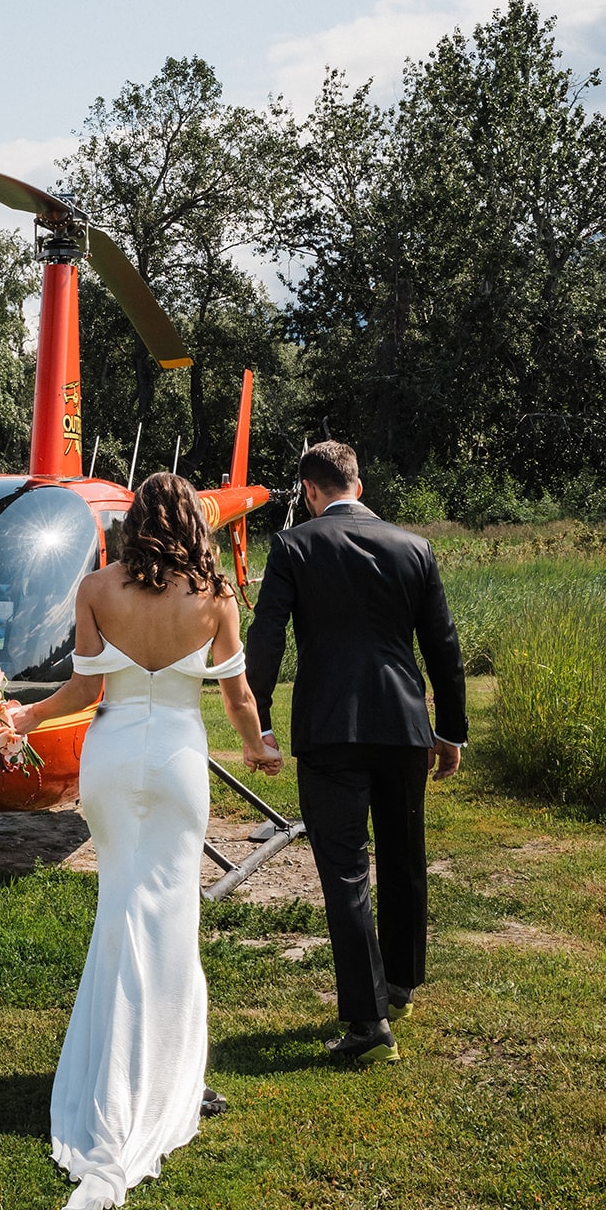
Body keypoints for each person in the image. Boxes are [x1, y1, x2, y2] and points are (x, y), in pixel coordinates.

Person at [11, 471, 282, 1210]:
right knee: (170, 917)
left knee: (119, 907)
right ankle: (168, 1078)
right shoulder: (217, 597)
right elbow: (237, 696)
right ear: (193, 522)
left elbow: (82, 693)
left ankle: (114, 1069)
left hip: (109, 759)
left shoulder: (98, 588)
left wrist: (19, 719)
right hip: (175, 764)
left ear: (134, 522)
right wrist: (256, 745)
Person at [245, 441, 466, 1067]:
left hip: (329, 726)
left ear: (310, 493)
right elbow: (443, 647)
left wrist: (258, 720)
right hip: (402, 725)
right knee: (404, 856)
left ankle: (368, 1024)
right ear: (358, 485)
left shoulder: (294, 546)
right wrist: (449, 730)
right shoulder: (413, 547)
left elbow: (267, 638)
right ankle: (400, 984)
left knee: (345, 871)